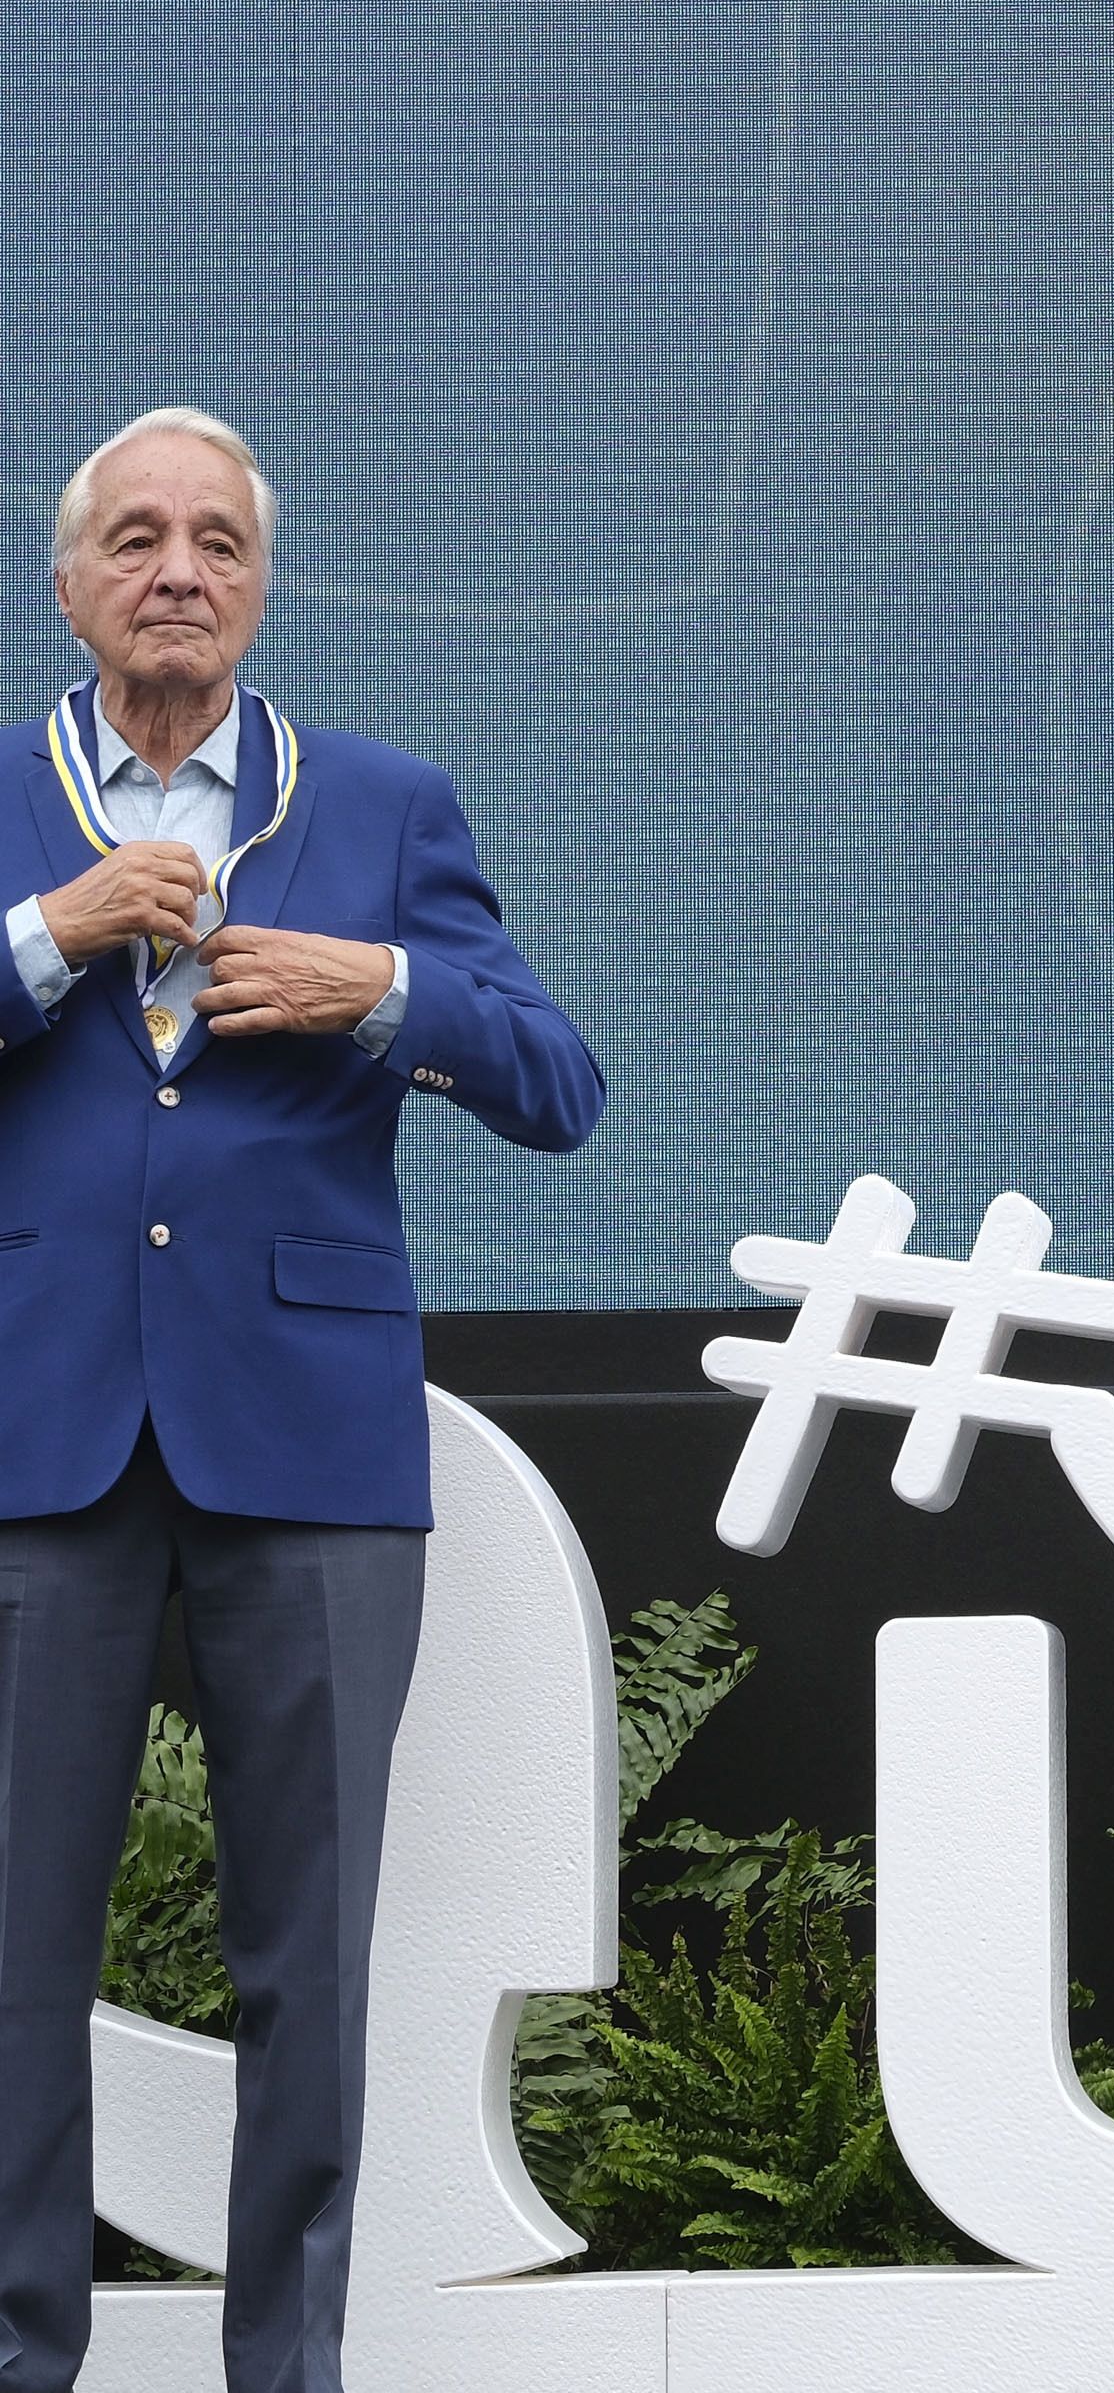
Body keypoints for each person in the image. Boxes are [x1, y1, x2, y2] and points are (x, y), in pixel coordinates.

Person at [0, 405, 603, 2393]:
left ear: (261, 586)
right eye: (137, 537)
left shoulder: (384, 804)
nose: (178, 569)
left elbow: (560, 1084)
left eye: (218, 541)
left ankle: (290, 2367)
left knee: (310, 1952)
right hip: (37, 1427)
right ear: (70, 583)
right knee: (14, 1952)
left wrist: (388, 996)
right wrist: (49, 938)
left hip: (311, 1437)